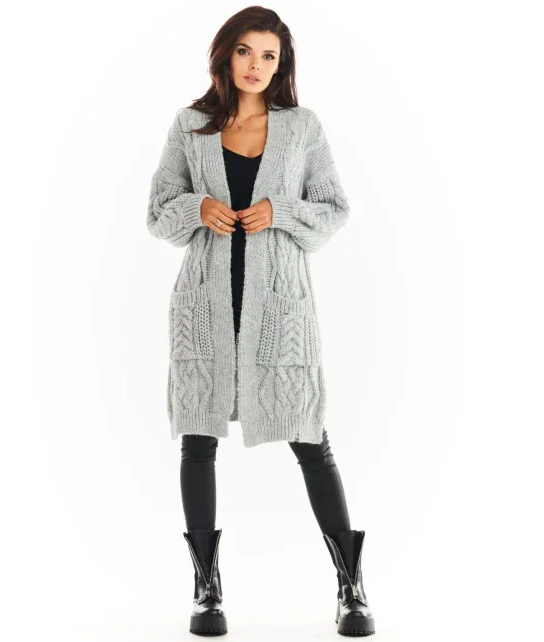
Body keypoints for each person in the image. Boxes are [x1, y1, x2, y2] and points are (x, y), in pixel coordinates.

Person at [147, 7, 375, 637]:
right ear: (225, 55)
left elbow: (333, 209)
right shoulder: (190, 126)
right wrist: (199, 206)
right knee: (199, 438)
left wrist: (281, 211)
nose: (255, 65)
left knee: (310, 439)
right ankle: (206, 590)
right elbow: (159, 210)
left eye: (268, 55)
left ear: (281, 65)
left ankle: (351, 587)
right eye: (245, 51)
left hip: (280, 309)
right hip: (205, 307)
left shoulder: (302, 127)